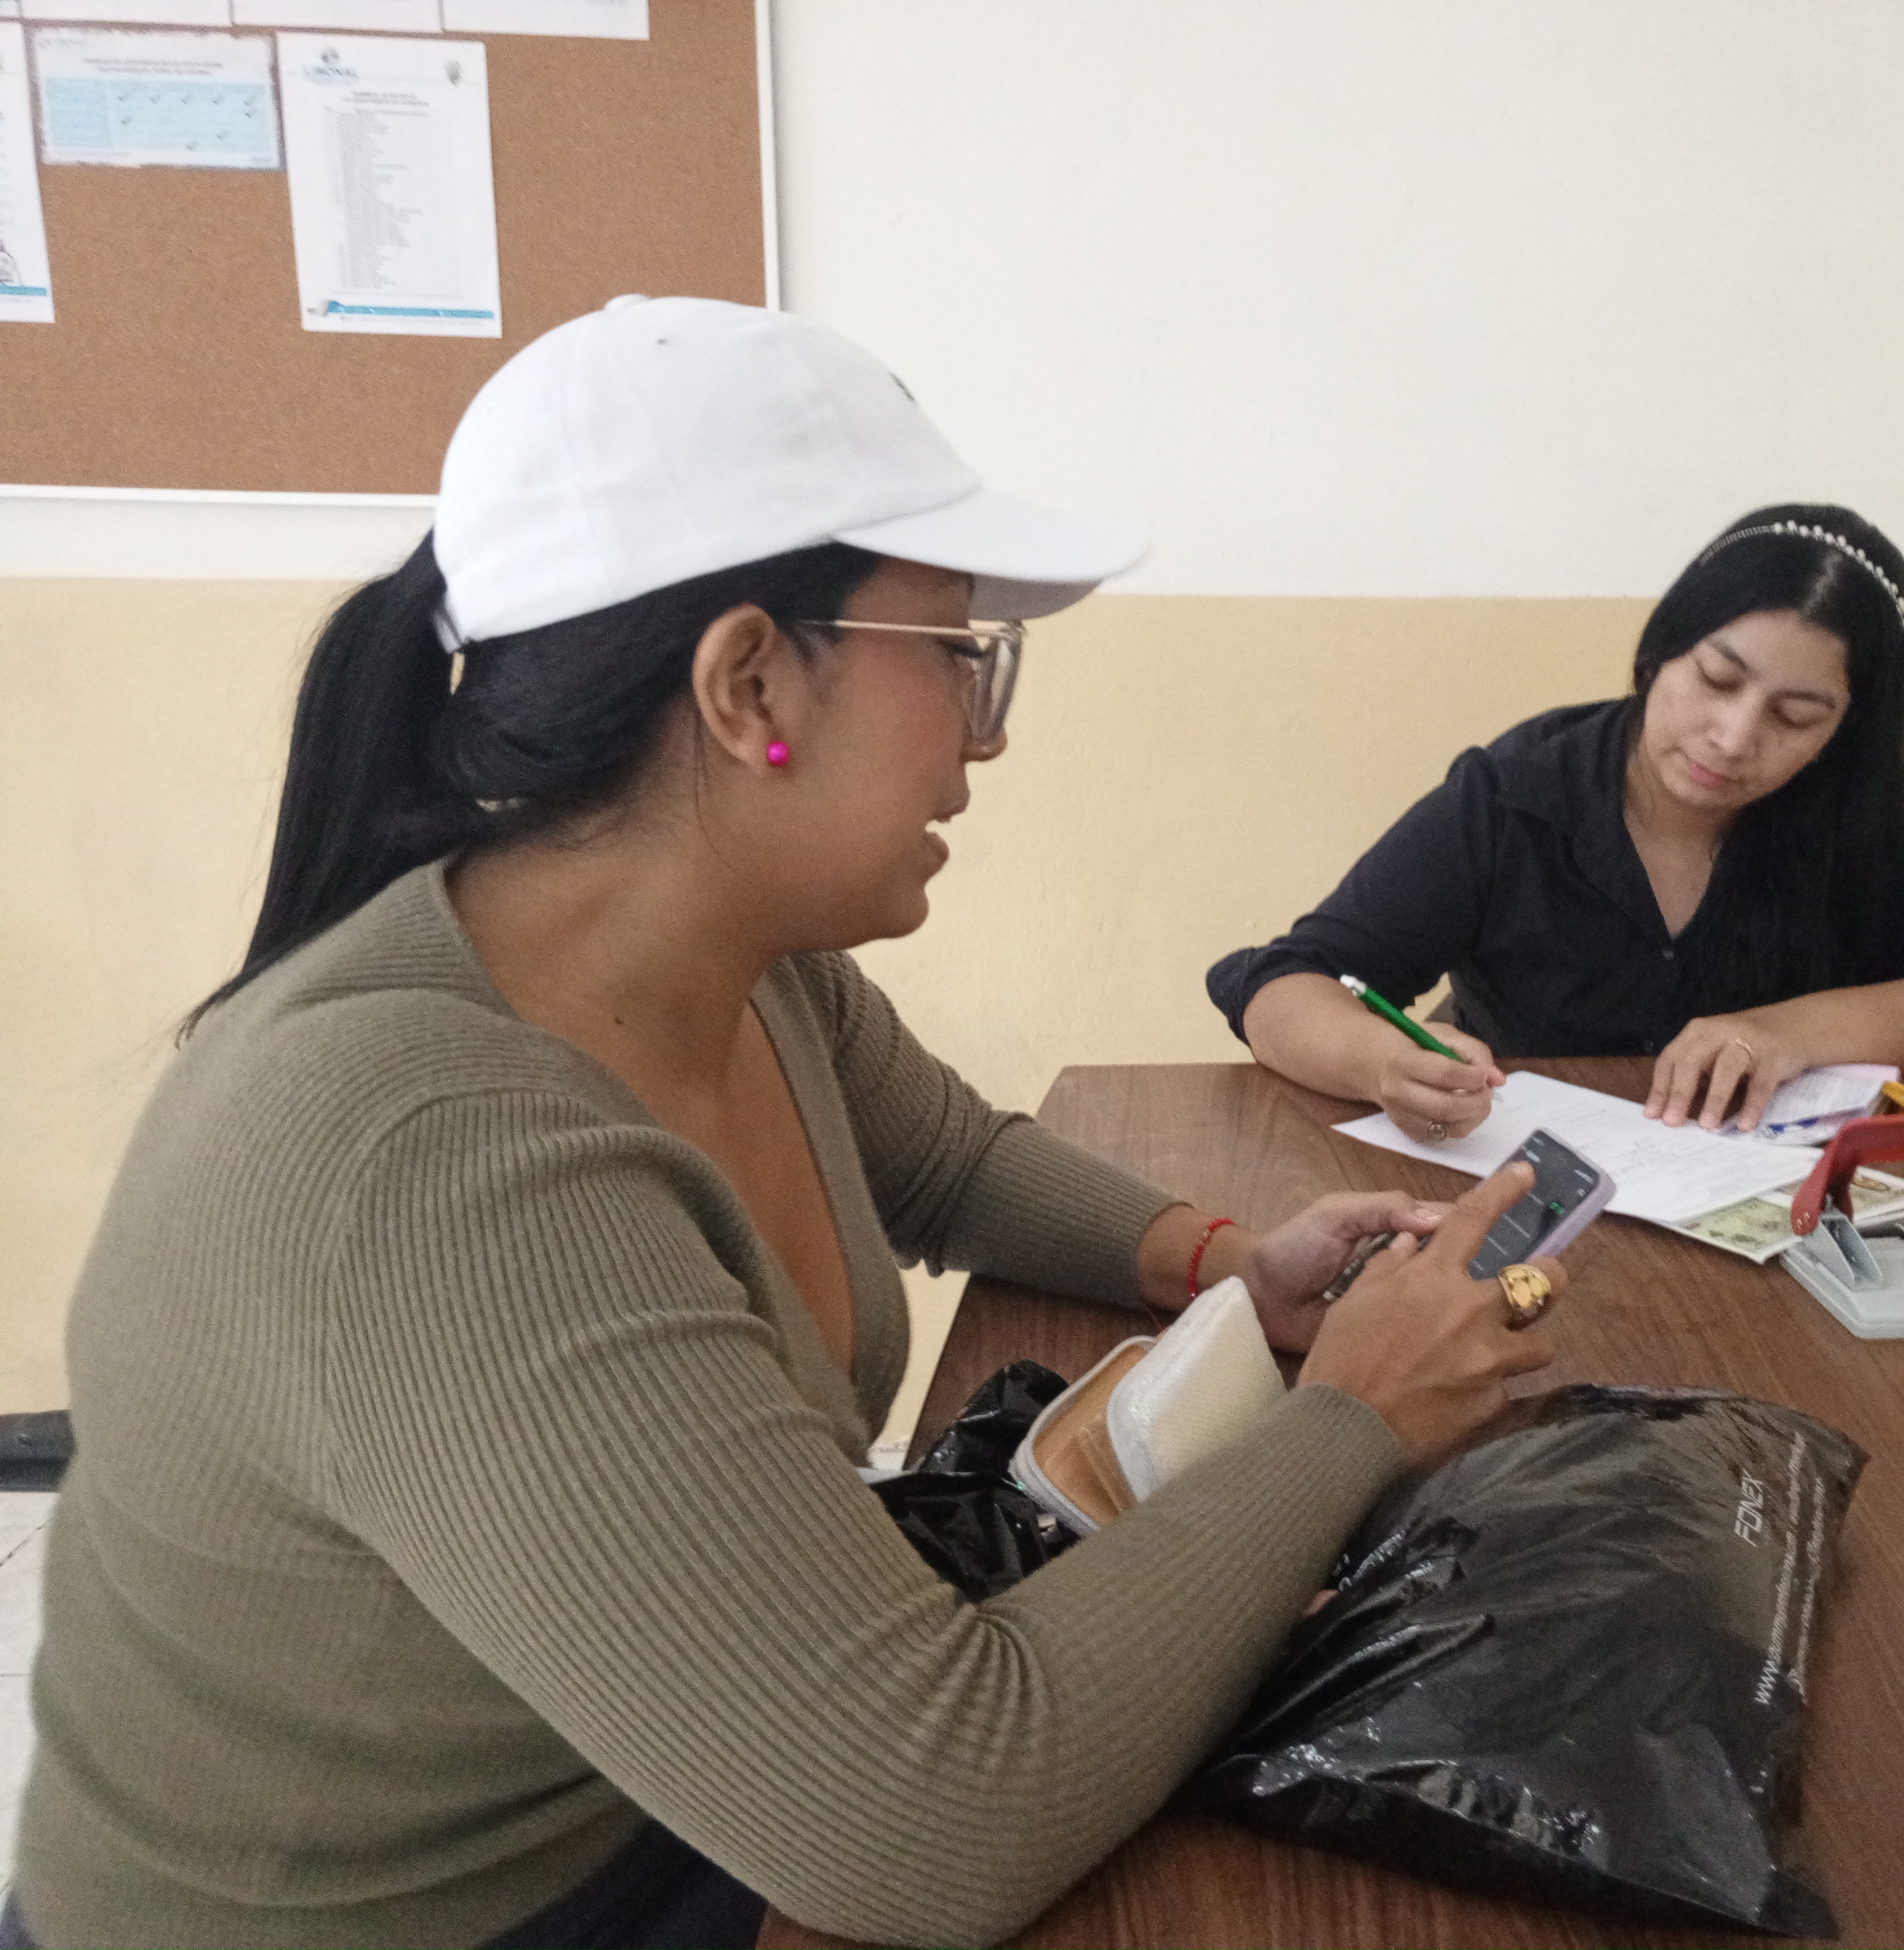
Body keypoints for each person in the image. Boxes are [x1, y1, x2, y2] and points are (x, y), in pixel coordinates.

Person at [8, 298, 1567, 1950]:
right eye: (957, 657)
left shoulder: (742, 969)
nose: (989, 733)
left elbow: (955, 1164)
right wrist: (1354, 1418)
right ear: (749, 679)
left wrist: (1230, 1264)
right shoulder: (435, 1165)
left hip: (639, 1779)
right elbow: (936, 1821)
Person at [1206, 504, 1904, 1139]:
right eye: (1717, 680)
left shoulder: (1851, 813)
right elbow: (1283, 986)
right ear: (1660, 651)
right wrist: (1383, 1063)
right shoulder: (1517, 798)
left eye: (1796, 717)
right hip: (1515, 1193)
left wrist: (1788, 1032)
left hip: (1770, 1223)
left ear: (1843, 733)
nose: (1733, 738)